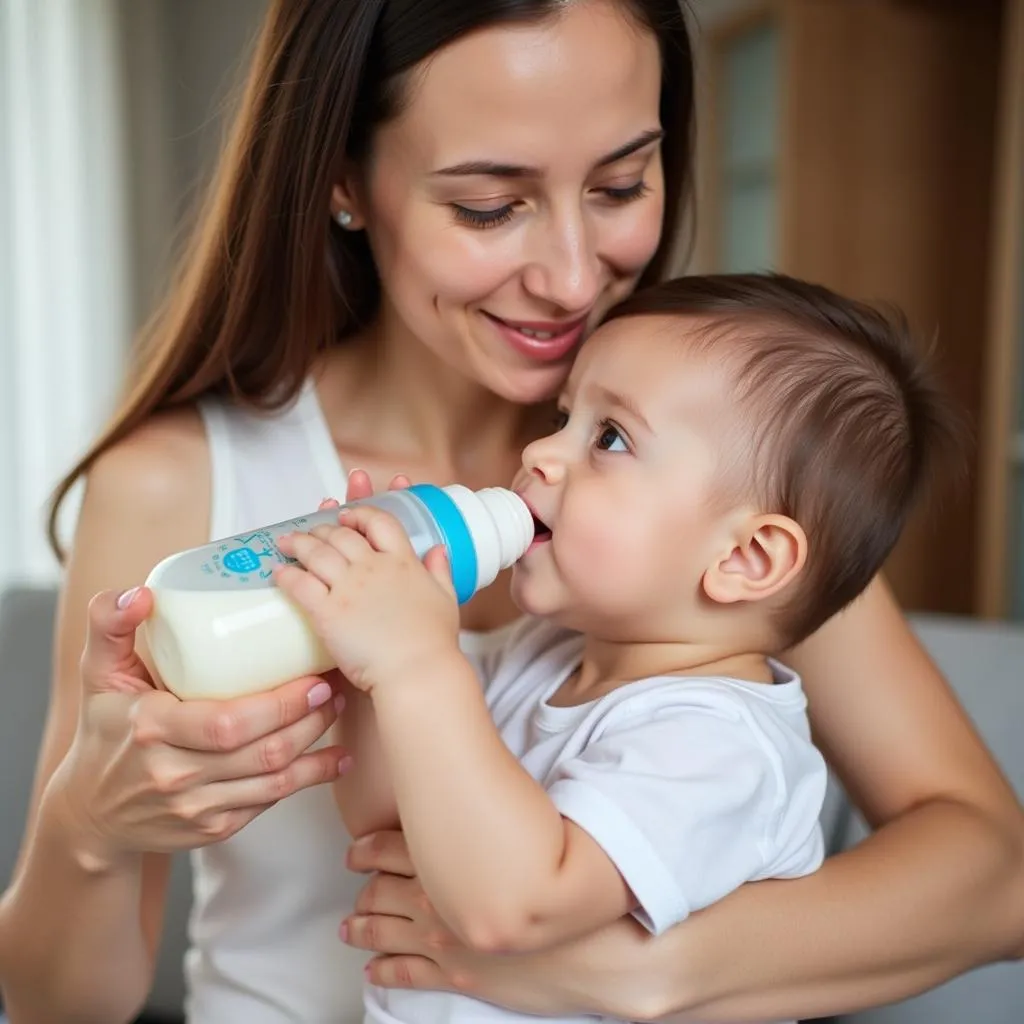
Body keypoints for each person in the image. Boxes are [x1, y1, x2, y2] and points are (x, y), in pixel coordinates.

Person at [0, 2, 1020, 1023]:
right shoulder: (175, 484)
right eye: (491, 205)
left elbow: (994, 878)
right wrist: (89, 823)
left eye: (621, 184)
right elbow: (64, 1004)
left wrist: (646, 970)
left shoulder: (732, 487)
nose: (575, 278)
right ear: (343, 180)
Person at [276, 272, 959, 1024]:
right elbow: (386, 819)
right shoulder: (543, 654)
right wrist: (366, 661)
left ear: (747, 559)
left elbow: (515, 908)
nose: (540, 451)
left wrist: (417, 668)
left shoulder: (724, 745)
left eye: (609, 438)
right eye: (565, 414)